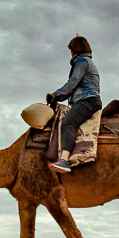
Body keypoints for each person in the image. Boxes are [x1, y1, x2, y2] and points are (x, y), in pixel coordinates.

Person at [45, 35, 101, 174]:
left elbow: (72, 84)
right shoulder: (87, 62)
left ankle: (64, 160)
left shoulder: (82, 61)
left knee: (68, 123)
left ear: (74, 50)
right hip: (88, 100)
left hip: (87, 100)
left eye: (71, 50)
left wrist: (55, 95)